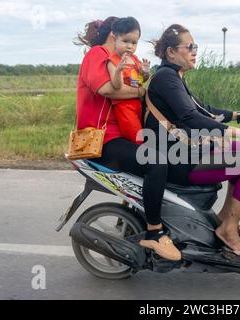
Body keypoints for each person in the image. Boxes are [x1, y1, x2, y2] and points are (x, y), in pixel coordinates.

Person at [144, 24, 240, 263]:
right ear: (171, 52)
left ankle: (225, 219)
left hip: (186, 149)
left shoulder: (173, 77)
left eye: (195, 47)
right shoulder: (166, 78)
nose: (194, 51)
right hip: (177, 159)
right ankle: (228, 230)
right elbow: (190, 118)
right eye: (189, 47)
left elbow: (204, 110)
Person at [75, 17, 181, 261]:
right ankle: (154, 232)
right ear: (113, 35)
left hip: (123, 134)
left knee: (174, 152)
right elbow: (106, 89)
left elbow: (136, 86)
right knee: (155, 162)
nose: (131, 45)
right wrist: (141, 90)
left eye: (134, 41)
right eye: (127, 39)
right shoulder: (97, 55)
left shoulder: (126, 60)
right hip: (102, 139)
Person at [107, 17, 151, 145]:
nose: (129, 46)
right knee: (136, 137)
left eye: (134, 43)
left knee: (144, 132)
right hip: (124, 106)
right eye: (125, 41)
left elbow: (140, 81)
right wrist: (119, 70)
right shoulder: (113, 60)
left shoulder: (135, 59)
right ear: (114, 39)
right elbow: (116, 86)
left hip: (138, 103)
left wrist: (145, 72)